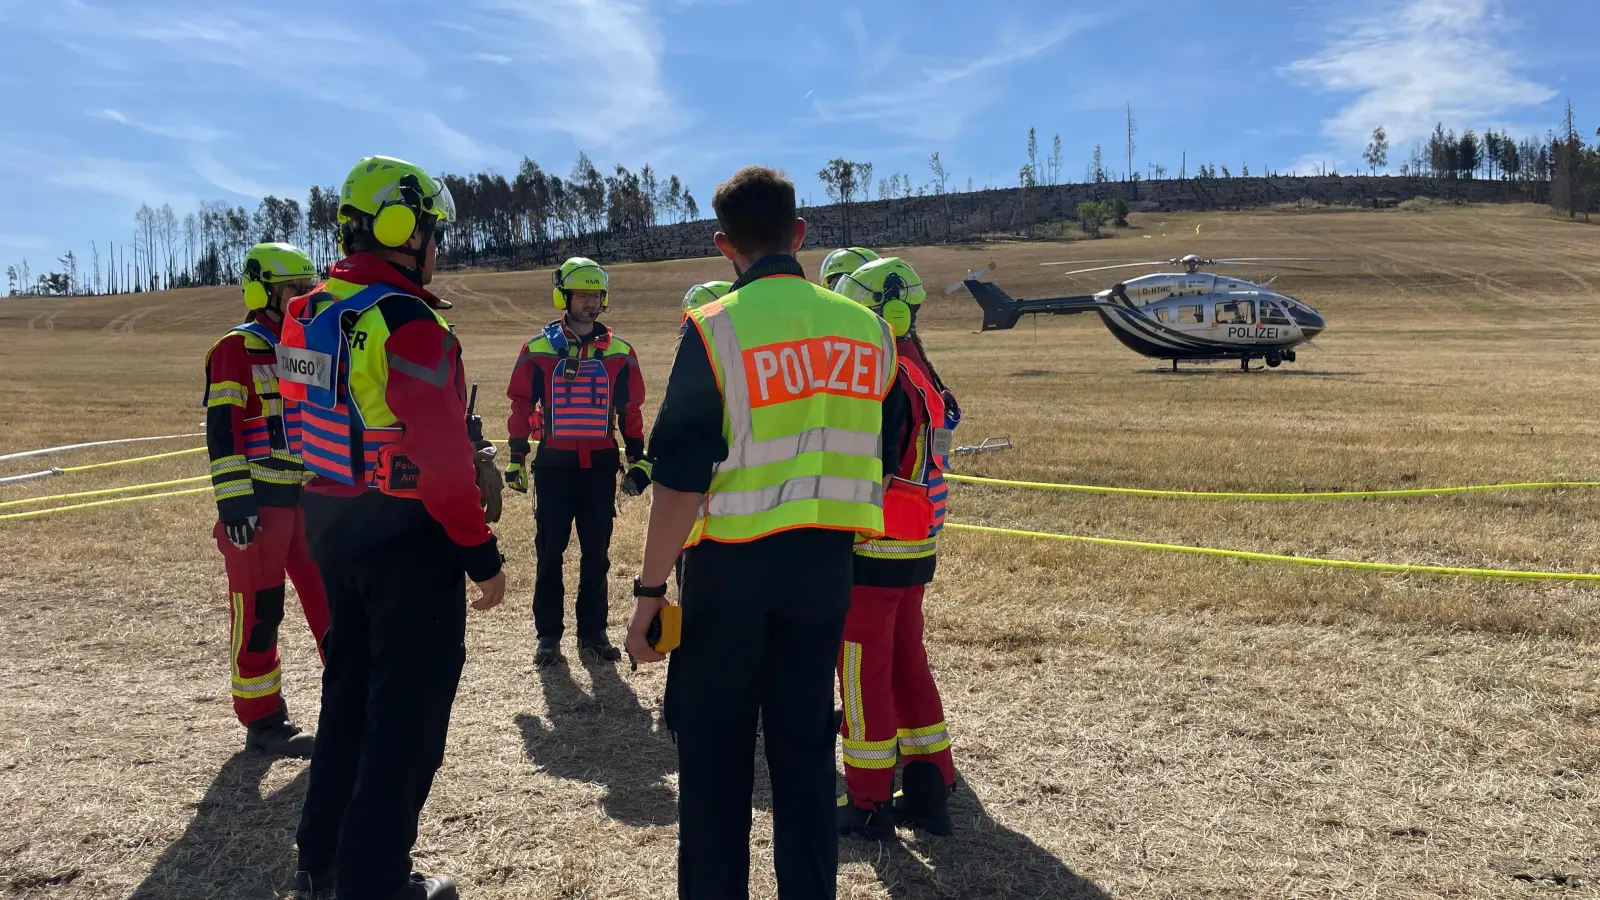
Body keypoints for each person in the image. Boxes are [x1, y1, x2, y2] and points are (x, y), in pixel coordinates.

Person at [627, 165, 905, 899]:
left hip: (730, 573)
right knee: (807, 756)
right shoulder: (869, 331)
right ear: (800, 235)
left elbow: (680, 477)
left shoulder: (714, 328)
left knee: (715, 764)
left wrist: (648, 593)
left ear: (725, 246)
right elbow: (880, 437)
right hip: (825, 572)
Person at [277, 155, 506, 900]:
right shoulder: (406, 321)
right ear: (403, 229)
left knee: (347, 696)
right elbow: (440, 461)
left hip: (331, 524)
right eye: (431, 230)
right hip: (407, 538)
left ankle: (323, 858)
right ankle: (376, 880)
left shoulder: (308, 311)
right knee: (406, 717)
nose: (436, 244)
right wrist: (482, 556)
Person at [829, 257, 962, 840]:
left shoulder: (882, 377)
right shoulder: (921, 372)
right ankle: (931, 785)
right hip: (915, 545)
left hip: (873, 549)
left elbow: (873, 475)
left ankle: (867, 801)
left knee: (861, 676)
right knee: (910, 664)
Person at [203, 241, 329, 758]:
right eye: (294, 290)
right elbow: (222, 431)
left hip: (313, 502)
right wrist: (235, 506)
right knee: (259, 611)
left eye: (310, 288)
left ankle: (354, 697)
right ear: (262, 291)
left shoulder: (308, 348)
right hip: (258, 509)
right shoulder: (237, 348)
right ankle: (263, 719)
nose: (305, 297)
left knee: (334, 601)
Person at [505, 256, 646, 667]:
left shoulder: (620, 351)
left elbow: (631, 410)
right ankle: (548, 636)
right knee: (550, 552)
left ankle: (593, 633)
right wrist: (516, 458)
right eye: (581, 295)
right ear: (563, 297)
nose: (588, 303)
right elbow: (519, 404)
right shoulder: (537, 349)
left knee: (596, 554)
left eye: (595, 296)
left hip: (600, 468)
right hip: (553, 468)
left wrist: (637, 460)